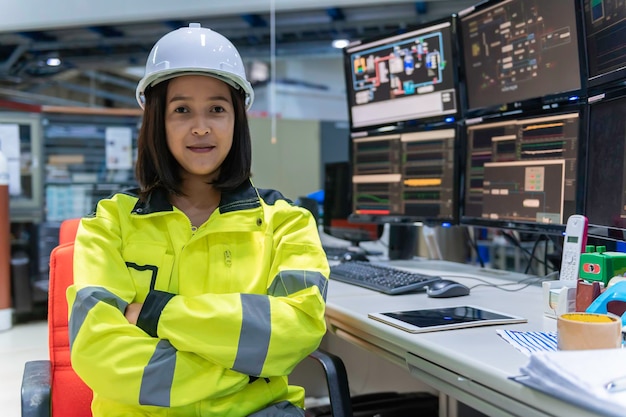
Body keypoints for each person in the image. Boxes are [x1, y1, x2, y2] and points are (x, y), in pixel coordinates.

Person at [67, 23, 330, 417]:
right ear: (158, 119)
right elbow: (98, 351)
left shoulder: (286, 223)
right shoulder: (109, 224)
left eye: (218, 109)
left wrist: (155, 312)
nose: (201, 126)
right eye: (182, 110)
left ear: (237, 119)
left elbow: (299, 328)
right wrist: (239, 369)